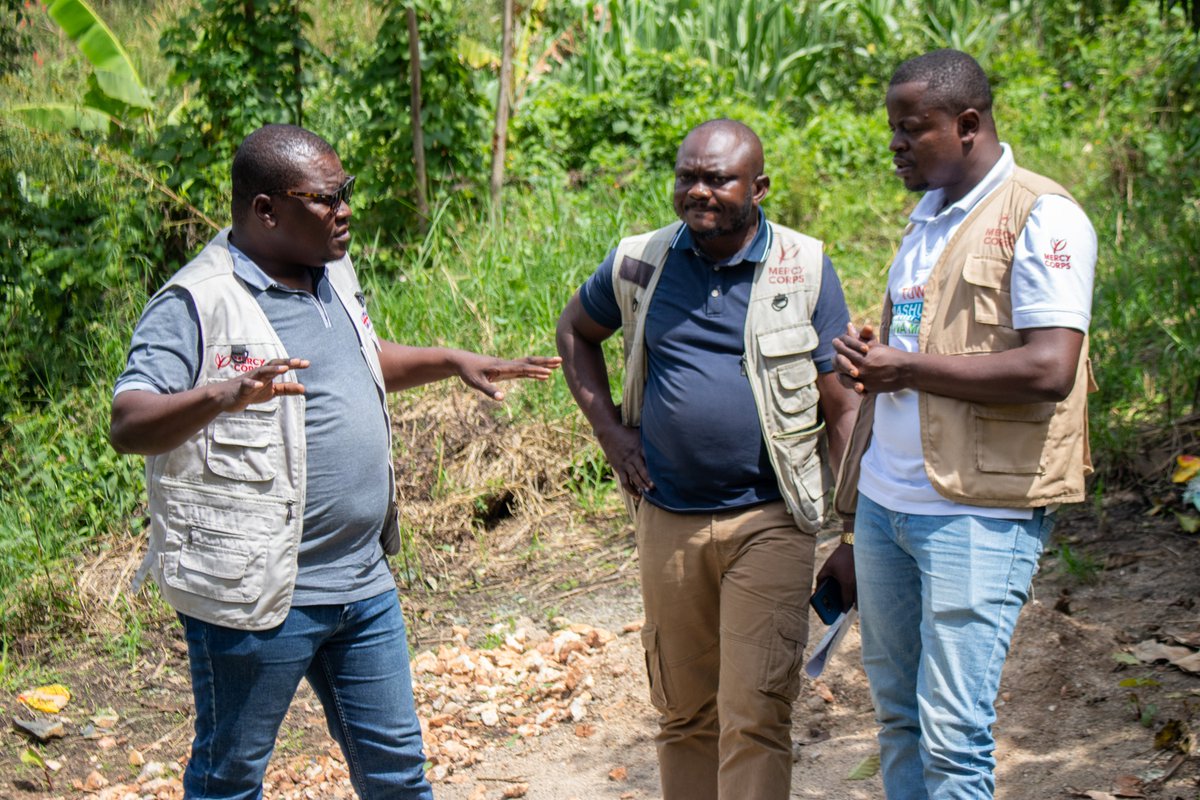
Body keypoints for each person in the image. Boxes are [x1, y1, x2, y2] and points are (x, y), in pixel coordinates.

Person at [109, 123, 561, 800]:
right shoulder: (196, 302)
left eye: (346, 191)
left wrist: (449, 360)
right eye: (325, 198)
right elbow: (128, 422)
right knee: (229, 778)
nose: (345, 208)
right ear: (267, 211)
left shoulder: (331, 272)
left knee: (399, 775)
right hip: (257, 595)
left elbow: (358, 362)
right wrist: (221, 394)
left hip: (362, 582)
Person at [556, 118, 860, 800]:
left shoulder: (804, 268)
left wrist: (854, 531)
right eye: (687, 176)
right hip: (668, 520)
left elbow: (840, 407)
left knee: (756, 713)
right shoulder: (640, 262)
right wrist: (609, 431)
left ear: (759, 187)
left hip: (772, 520)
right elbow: (575, 330)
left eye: (717, 178)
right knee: (685, 711)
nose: (700, 191)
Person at [832, 49, 1097, 799]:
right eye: (892, 128)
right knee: (898, 721)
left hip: (975, 515)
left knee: (953, 733)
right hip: (889, 509)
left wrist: (906, 369)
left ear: (969, 123)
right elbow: (924, 352)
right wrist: (877, 357)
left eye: (911, 128)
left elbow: (1050, 368)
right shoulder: (924, 225)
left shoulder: (1042, 216)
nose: (895, 144)